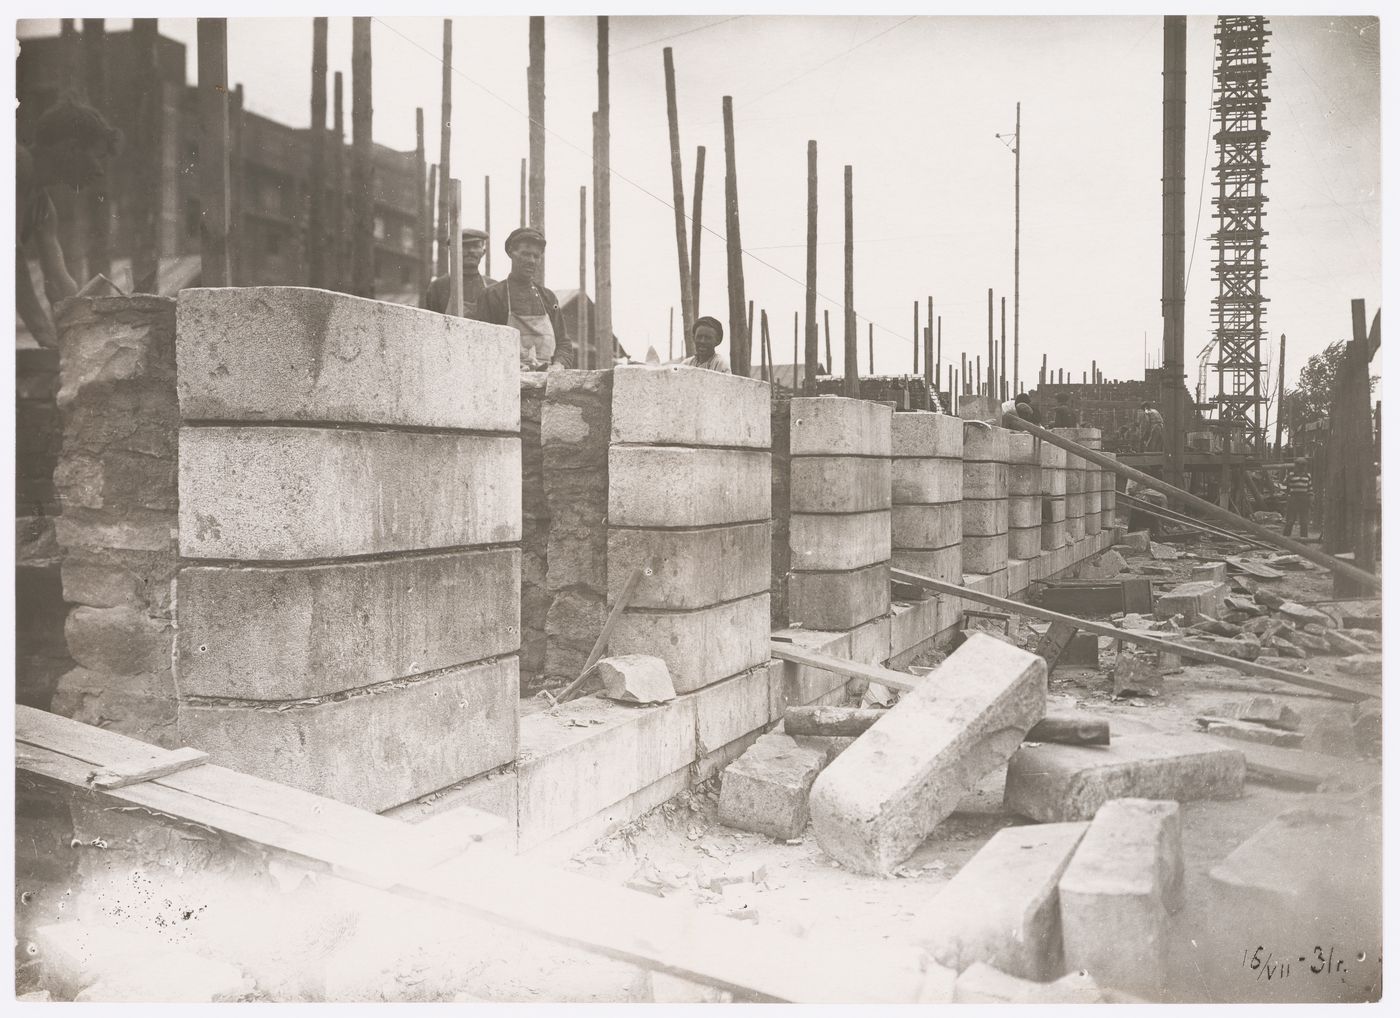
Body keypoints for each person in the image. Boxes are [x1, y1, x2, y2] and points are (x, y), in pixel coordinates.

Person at [17, 97, 122, 348]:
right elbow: (10, 263)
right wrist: (47, 338)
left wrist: (80, 339)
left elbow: (59, 281)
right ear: (72, 148)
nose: (100, 171)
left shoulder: (42, 205)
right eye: (98, 156)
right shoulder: (15, 163)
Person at [475, 227, 574, 369]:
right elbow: (482, 344)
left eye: (536, 256)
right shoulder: (493, 295)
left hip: (546, 381)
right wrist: (511, 365)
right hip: (507, 379)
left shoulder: (549, 298)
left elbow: (564, 343)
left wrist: (559, 365)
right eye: (525, 254)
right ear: (511, 253)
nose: (531, 261)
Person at [422, 227, 494, 318]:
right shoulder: (438, 287)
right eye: (464, 246)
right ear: (452, 251)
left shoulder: (493, 288)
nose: (471, 251)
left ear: (483, 252)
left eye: (476, 246)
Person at [1282, 457, 1312, 538]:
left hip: (1304, 499)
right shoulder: (1292, 475)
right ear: (1296, 466)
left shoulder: (1308, 476)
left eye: (1303, 465)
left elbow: (1309, 489)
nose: (1301, 467)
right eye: (1299, 465)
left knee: (1304, 521)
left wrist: (1310, 499)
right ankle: (1285, 538)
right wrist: (1289, 477)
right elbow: (1284, 483)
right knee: (1290, 520)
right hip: (1293, 498)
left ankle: (1304, 539)